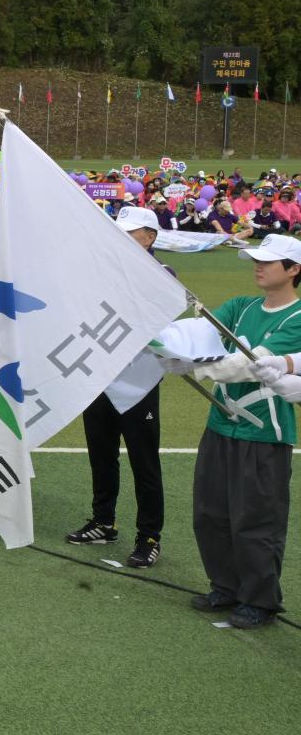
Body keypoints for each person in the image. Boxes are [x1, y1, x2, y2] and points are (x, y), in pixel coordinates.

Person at [174, 233, 301, 629]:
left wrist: (193, 365)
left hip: (264, 433)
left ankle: (260, 600)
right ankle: (225, 587)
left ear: (294, 270)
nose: (258, 267)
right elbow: (198, 336)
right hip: (221, 424)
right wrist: (166, 342)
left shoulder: (297, 318)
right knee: (210, 513)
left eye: (268, 261)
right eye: (255, 260)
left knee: (256, 520)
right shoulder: (241, 307)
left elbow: (248, 364)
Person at [64, 207, 167, 567]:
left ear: (150, 237)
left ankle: (149, 536)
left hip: (138, 383)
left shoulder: (162, 275)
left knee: (144, 463)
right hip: (99, 378)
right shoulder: (103, 273)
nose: (121, 238)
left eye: (131, 232)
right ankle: (103, 521)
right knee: (101, 455)